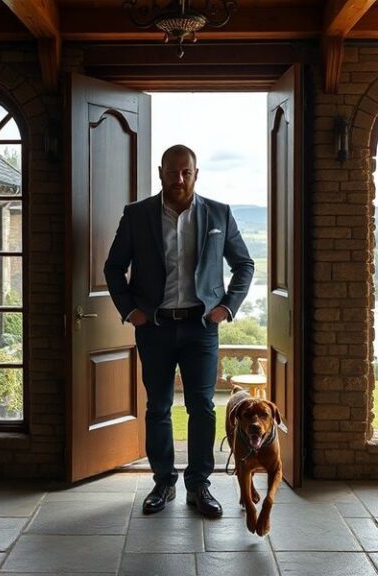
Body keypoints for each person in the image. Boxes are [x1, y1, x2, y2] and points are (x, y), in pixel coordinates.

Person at [104, 144, 254, 517]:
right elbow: (113, 267)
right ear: (161, 173)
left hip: (201, 328)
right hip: (154, 328)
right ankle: (163, 482)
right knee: (157, 407)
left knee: (201, 408)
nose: (179, 179)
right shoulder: (137, 215)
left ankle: (199, 485)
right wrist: (130, 310)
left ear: (196, 173)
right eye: (173, 172)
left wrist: (226, 308)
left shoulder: (218, 213)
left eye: (186, 172)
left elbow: (244, 265)